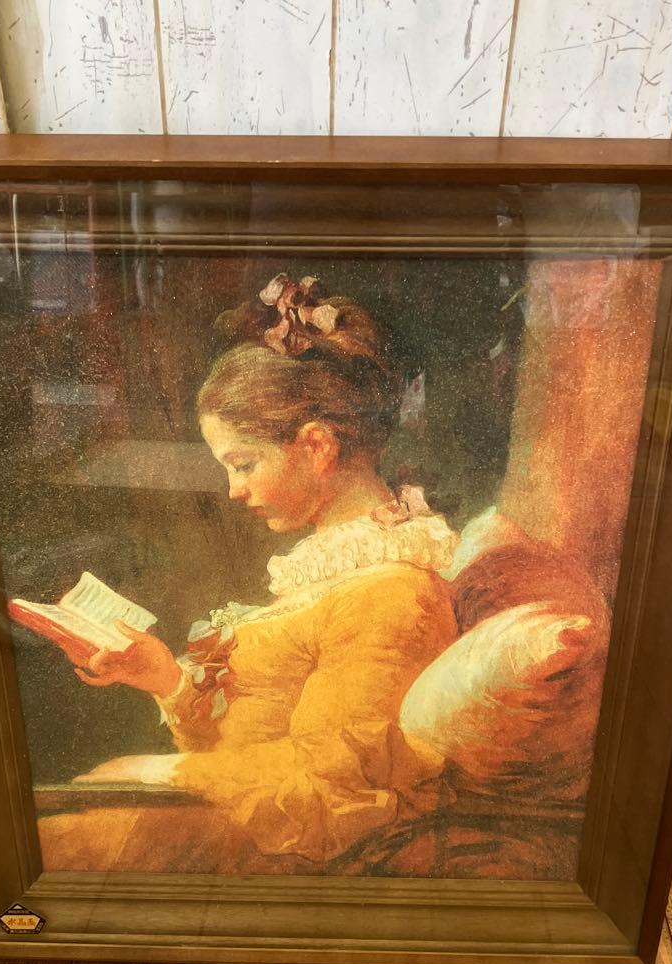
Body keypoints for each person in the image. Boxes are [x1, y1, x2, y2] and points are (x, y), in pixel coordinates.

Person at [37, 274, 461, 874]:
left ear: (317, 446)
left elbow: (333, 789)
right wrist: (166, 680)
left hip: (275, 848)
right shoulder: (337, 569)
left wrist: (163, 772)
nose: (234, 490)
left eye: (243, 464)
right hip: (235, 816)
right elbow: (255, 739)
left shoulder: (391, 592)